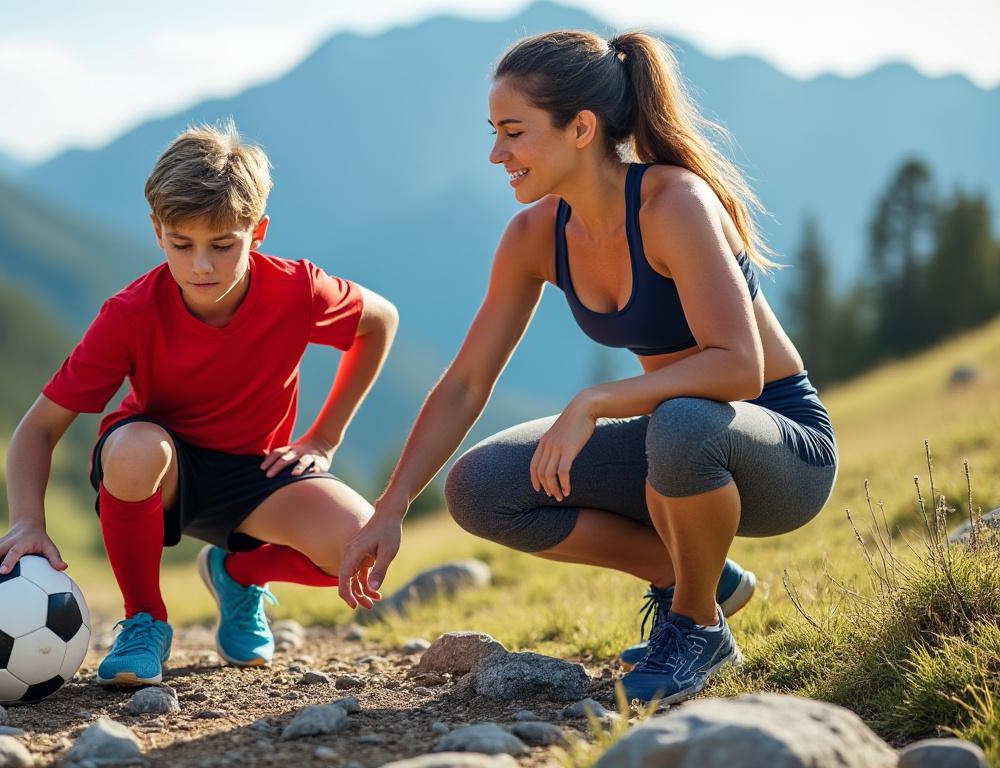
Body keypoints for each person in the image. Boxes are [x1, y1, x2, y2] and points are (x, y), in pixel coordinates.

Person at [339, 30, 837, 705]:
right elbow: (465, 382)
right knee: (481, 487)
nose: (496, 153)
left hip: (782, 449)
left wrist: (594, 401)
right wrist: (391, 505)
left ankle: (696, 626)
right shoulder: (534, 237)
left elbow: (740, 369)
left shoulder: (673, 204)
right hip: (677, 439)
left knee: (684, 423)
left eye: (513, 132)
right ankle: (694, 575)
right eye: (493, 132)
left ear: (580, 127)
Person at [0, 121, 399, 686]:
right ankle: (145, 619)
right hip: (161, 469)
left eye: (223, 245)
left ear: (257, 231)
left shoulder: (298, 291)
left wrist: (325, 436)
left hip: (256, 472)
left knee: (363, 545)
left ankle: (237, 572)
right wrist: (27, 522)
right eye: (181, 244)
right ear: (156, 230)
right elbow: (38, 429)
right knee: (134, 449)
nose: (201, 266)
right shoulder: (131, 314)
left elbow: (380, 321)